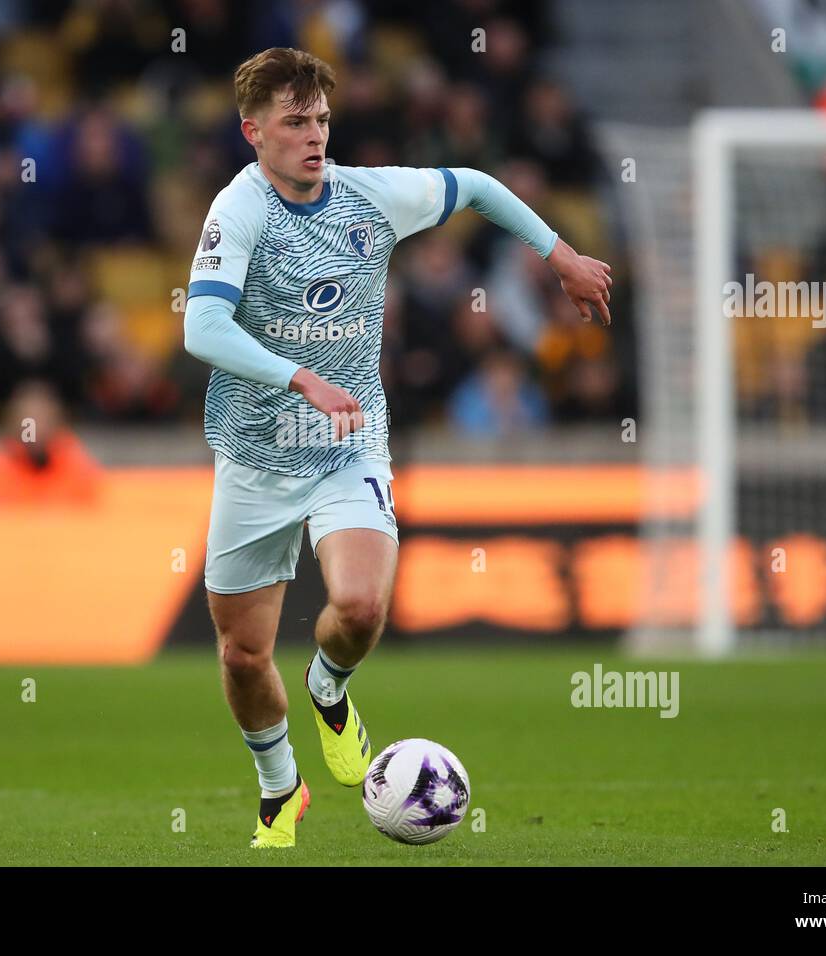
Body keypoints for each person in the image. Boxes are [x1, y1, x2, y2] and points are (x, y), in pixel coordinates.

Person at [182, 48, 612, 848]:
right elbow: (201, 326)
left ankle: (329, 686)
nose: (314, 136)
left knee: (360, 606)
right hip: (255, 452)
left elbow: (477, 186)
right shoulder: (237, 211)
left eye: (321, 120)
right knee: (243, 655)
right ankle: (281, 790)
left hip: (349, 440)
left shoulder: (370, 197)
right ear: (254, 132)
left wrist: (560, 255)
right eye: (294, 122)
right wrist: (300, 377)